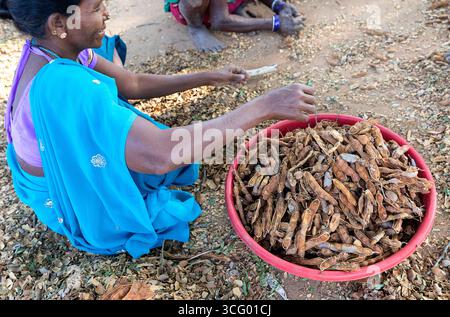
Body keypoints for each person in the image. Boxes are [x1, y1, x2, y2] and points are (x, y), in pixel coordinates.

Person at [2, 0, 316, 259]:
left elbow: (132, 83)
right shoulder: (66, 87)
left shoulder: (56, 47)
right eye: (97, 7)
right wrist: (263, 106)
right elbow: (161, 155)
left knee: (108, 58)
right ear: (59, 23)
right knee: (163, 204)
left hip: (57, 147)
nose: (108, 12)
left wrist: (209, 76)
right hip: (60, 193)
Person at [165, 0, 305, 52]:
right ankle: (196, 27)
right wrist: (276, 23)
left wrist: (278, 5)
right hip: (192, 8)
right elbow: (220, 21)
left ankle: (232, 6)